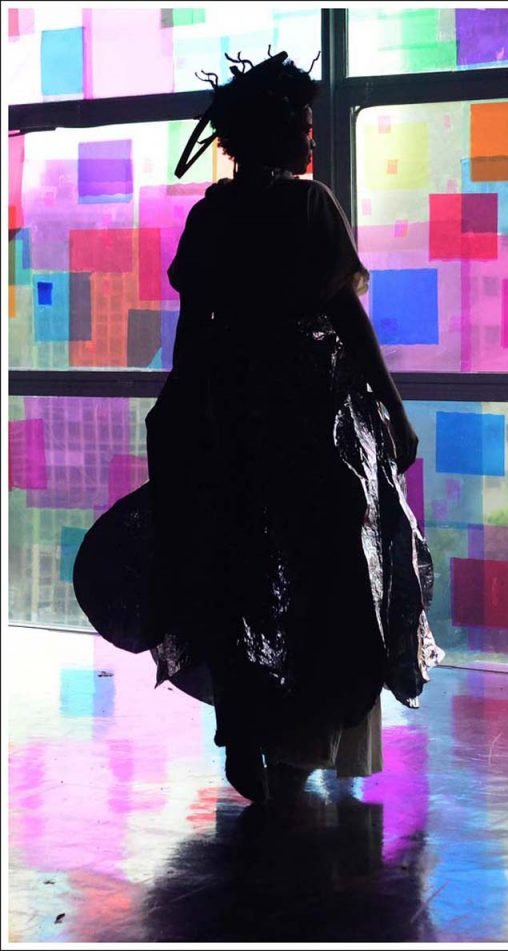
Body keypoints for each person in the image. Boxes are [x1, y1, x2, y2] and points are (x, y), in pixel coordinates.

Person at [74, 51, 443, 805]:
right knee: (326, 576)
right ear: (279, 135)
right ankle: (302, 732)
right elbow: (349, 321)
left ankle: (246, 728)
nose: (311, 138)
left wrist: (181, 407)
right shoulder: (310, 209)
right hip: (312, 421)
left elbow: (194, 334)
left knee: (234, 571)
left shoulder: (211, 216)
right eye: (304, 126)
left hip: (229, 415)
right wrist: (396, 412)